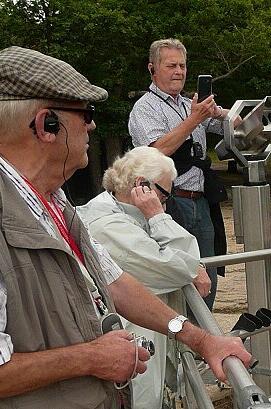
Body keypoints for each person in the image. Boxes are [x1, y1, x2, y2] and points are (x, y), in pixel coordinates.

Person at [0, 45, 252, 407]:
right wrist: (91, 358)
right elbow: (174, 265)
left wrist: (200, 339)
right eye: (85, 113)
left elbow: (115, 281)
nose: (92, 124)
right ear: (46, 125)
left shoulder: (54, 201)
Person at [77, 146, 211, 408]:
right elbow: (180, 267)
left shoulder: (123, 215)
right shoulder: (108, 225)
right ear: (142, 185)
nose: (165, 204)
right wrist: (158, 216)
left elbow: (183, 260)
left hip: (143, 338)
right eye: (164, 196)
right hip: (132, 344)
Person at [128, 38, 232, 310]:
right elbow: (156, 151)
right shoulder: (145, 107)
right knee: (176, 278)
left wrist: (232, 114)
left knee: (206, 277)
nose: (179, 72)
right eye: (171, 65)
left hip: (201, 201)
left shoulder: (189, 104)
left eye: (183, 65)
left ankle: (203, 344)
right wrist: (195, 119)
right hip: (167, 204)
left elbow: (232, 126)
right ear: (152, 68)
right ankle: (177, 347)